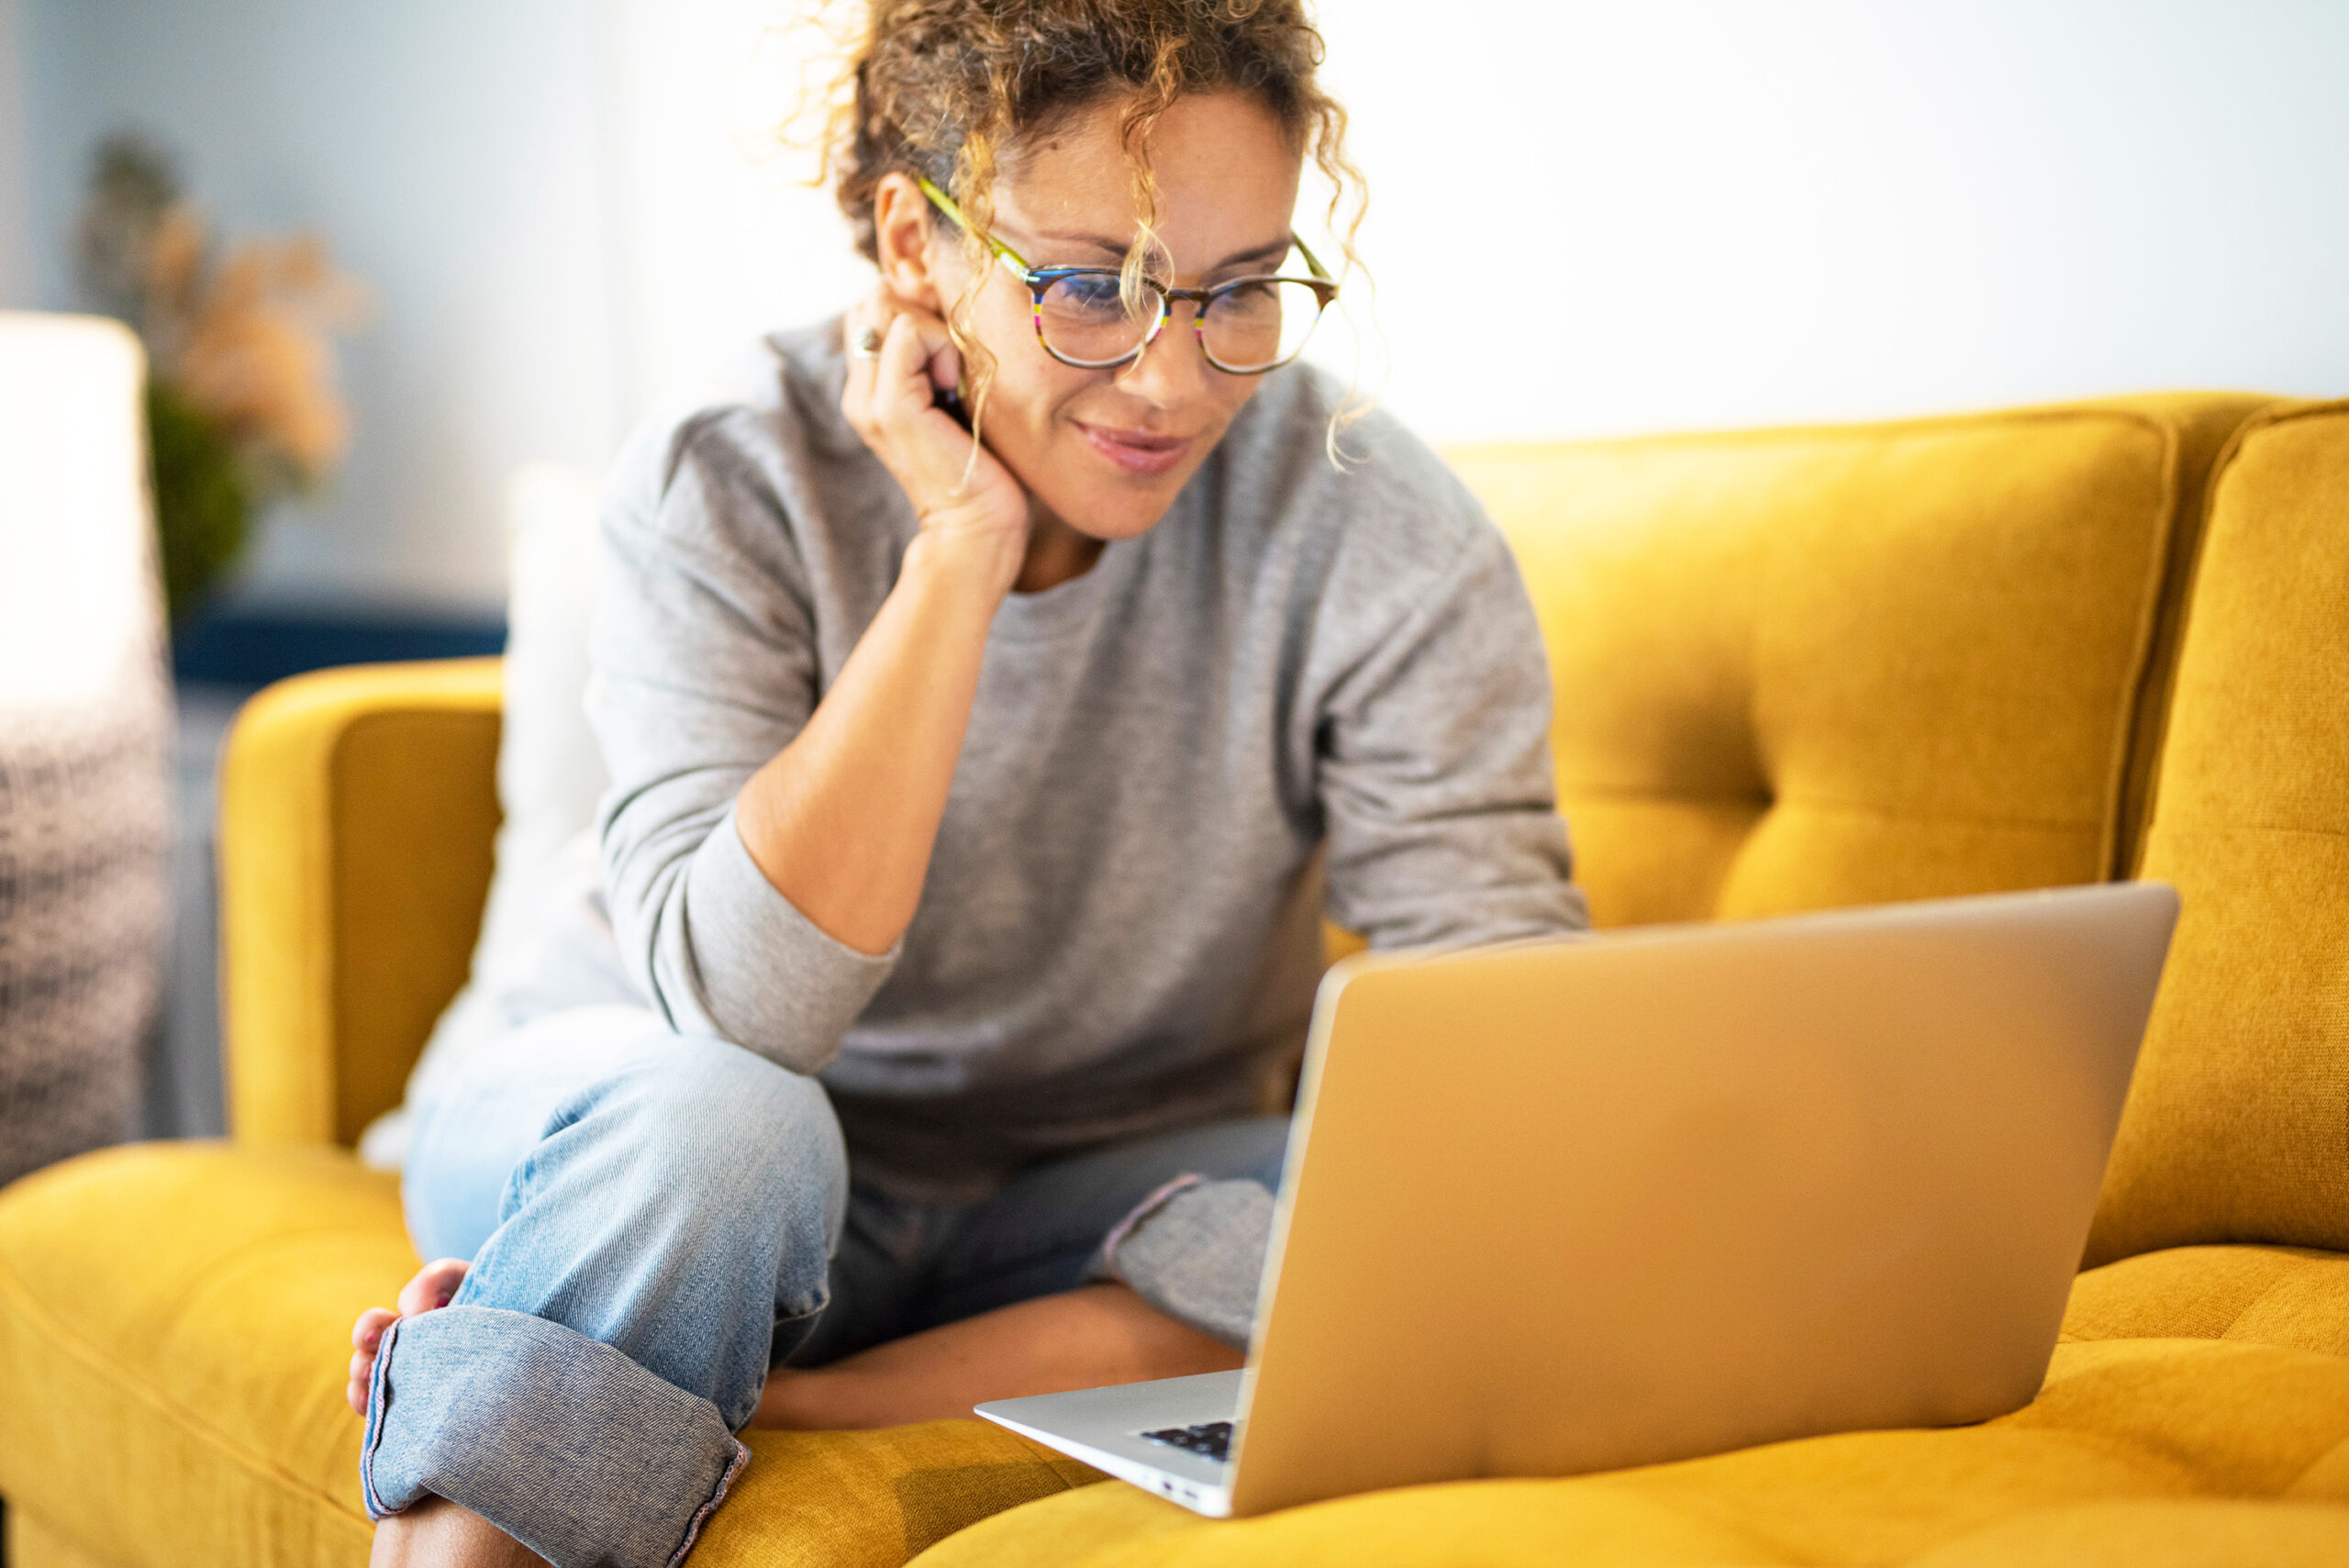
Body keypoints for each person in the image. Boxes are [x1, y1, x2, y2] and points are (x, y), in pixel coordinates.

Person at [347, 2, 1587, 1563]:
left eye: (1241, 291)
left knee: (1480, 1196)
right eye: (1089, 286)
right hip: (675, 1125)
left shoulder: (1376, 529)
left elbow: (1511, 1040)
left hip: (1090, 1207)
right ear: (914, 249)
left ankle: (804, 1384)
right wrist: (959, 557)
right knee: (726, 1130)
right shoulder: (730, 473)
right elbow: (744, 1016)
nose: (1173, 380)